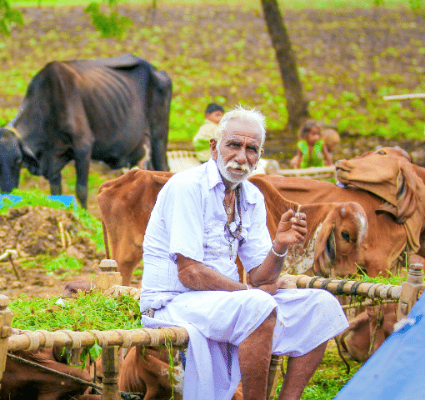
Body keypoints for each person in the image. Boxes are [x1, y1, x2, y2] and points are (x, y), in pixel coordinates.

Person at [140, 106, 348, 400]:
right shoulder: (187, 187)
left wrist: (279, 247)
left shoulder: (250, 196)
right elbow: (190, 273)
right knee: (257, 305)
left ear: (259, 156)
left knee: (322, 306)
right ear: (215, 147)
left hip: (226, 301)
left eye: (252, 149)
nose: (242, 157)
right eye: (234, 145)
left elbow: (261, 279)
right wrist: (247, 292)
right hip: (173, 301)